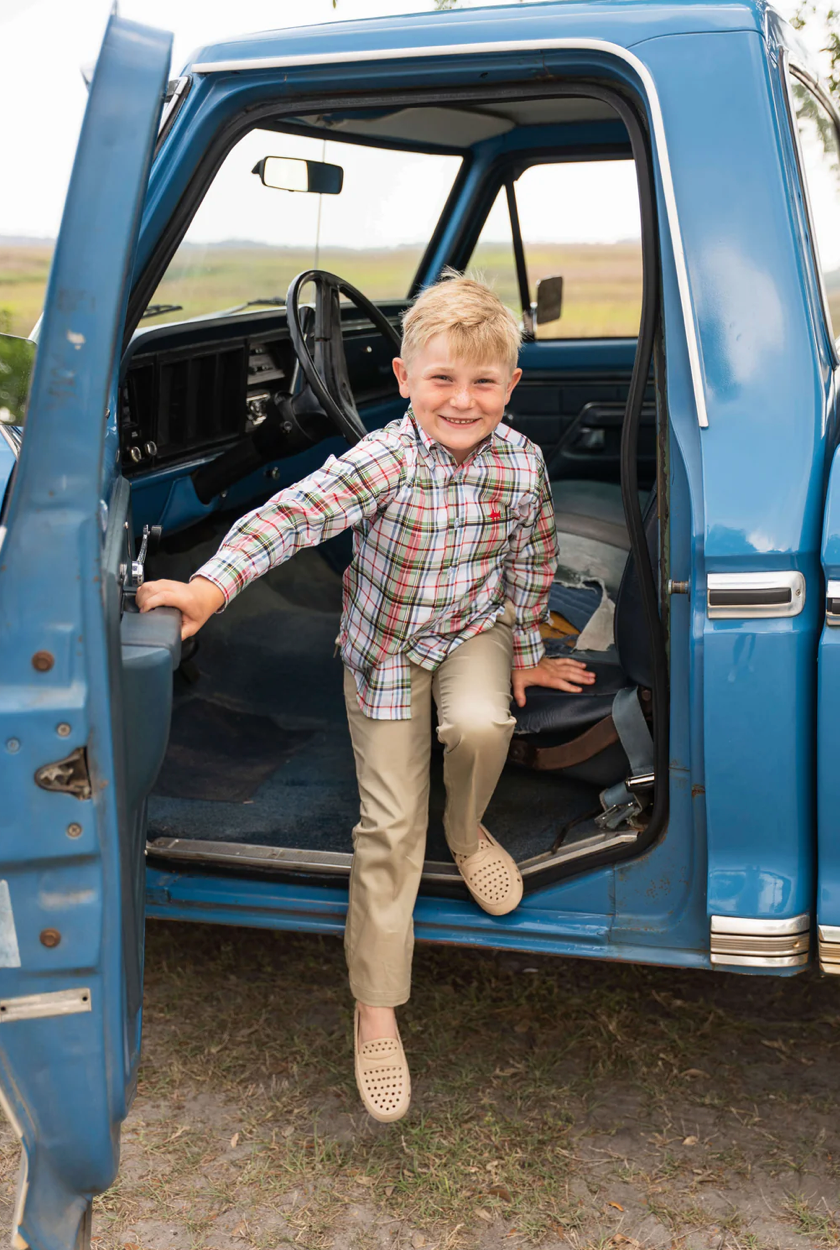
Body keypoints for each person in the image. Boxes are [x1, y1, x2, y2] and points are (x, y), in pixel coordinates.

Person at [136, 272, 595, 1122]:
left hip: (474, 630)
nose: (462, 401)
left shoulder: (522, 464)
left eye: (483, 382)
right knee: (388, 828)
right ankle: (377, 1007)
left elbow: (531, 558)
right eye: (442, 380)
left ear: (512, 387)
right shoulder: (382, 458)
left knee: (482, 725)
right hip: (384, 648)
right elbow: (290, 515)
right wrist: (206, 588)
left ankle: (467, 830)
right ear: (403, 379)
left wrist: (527, 650)